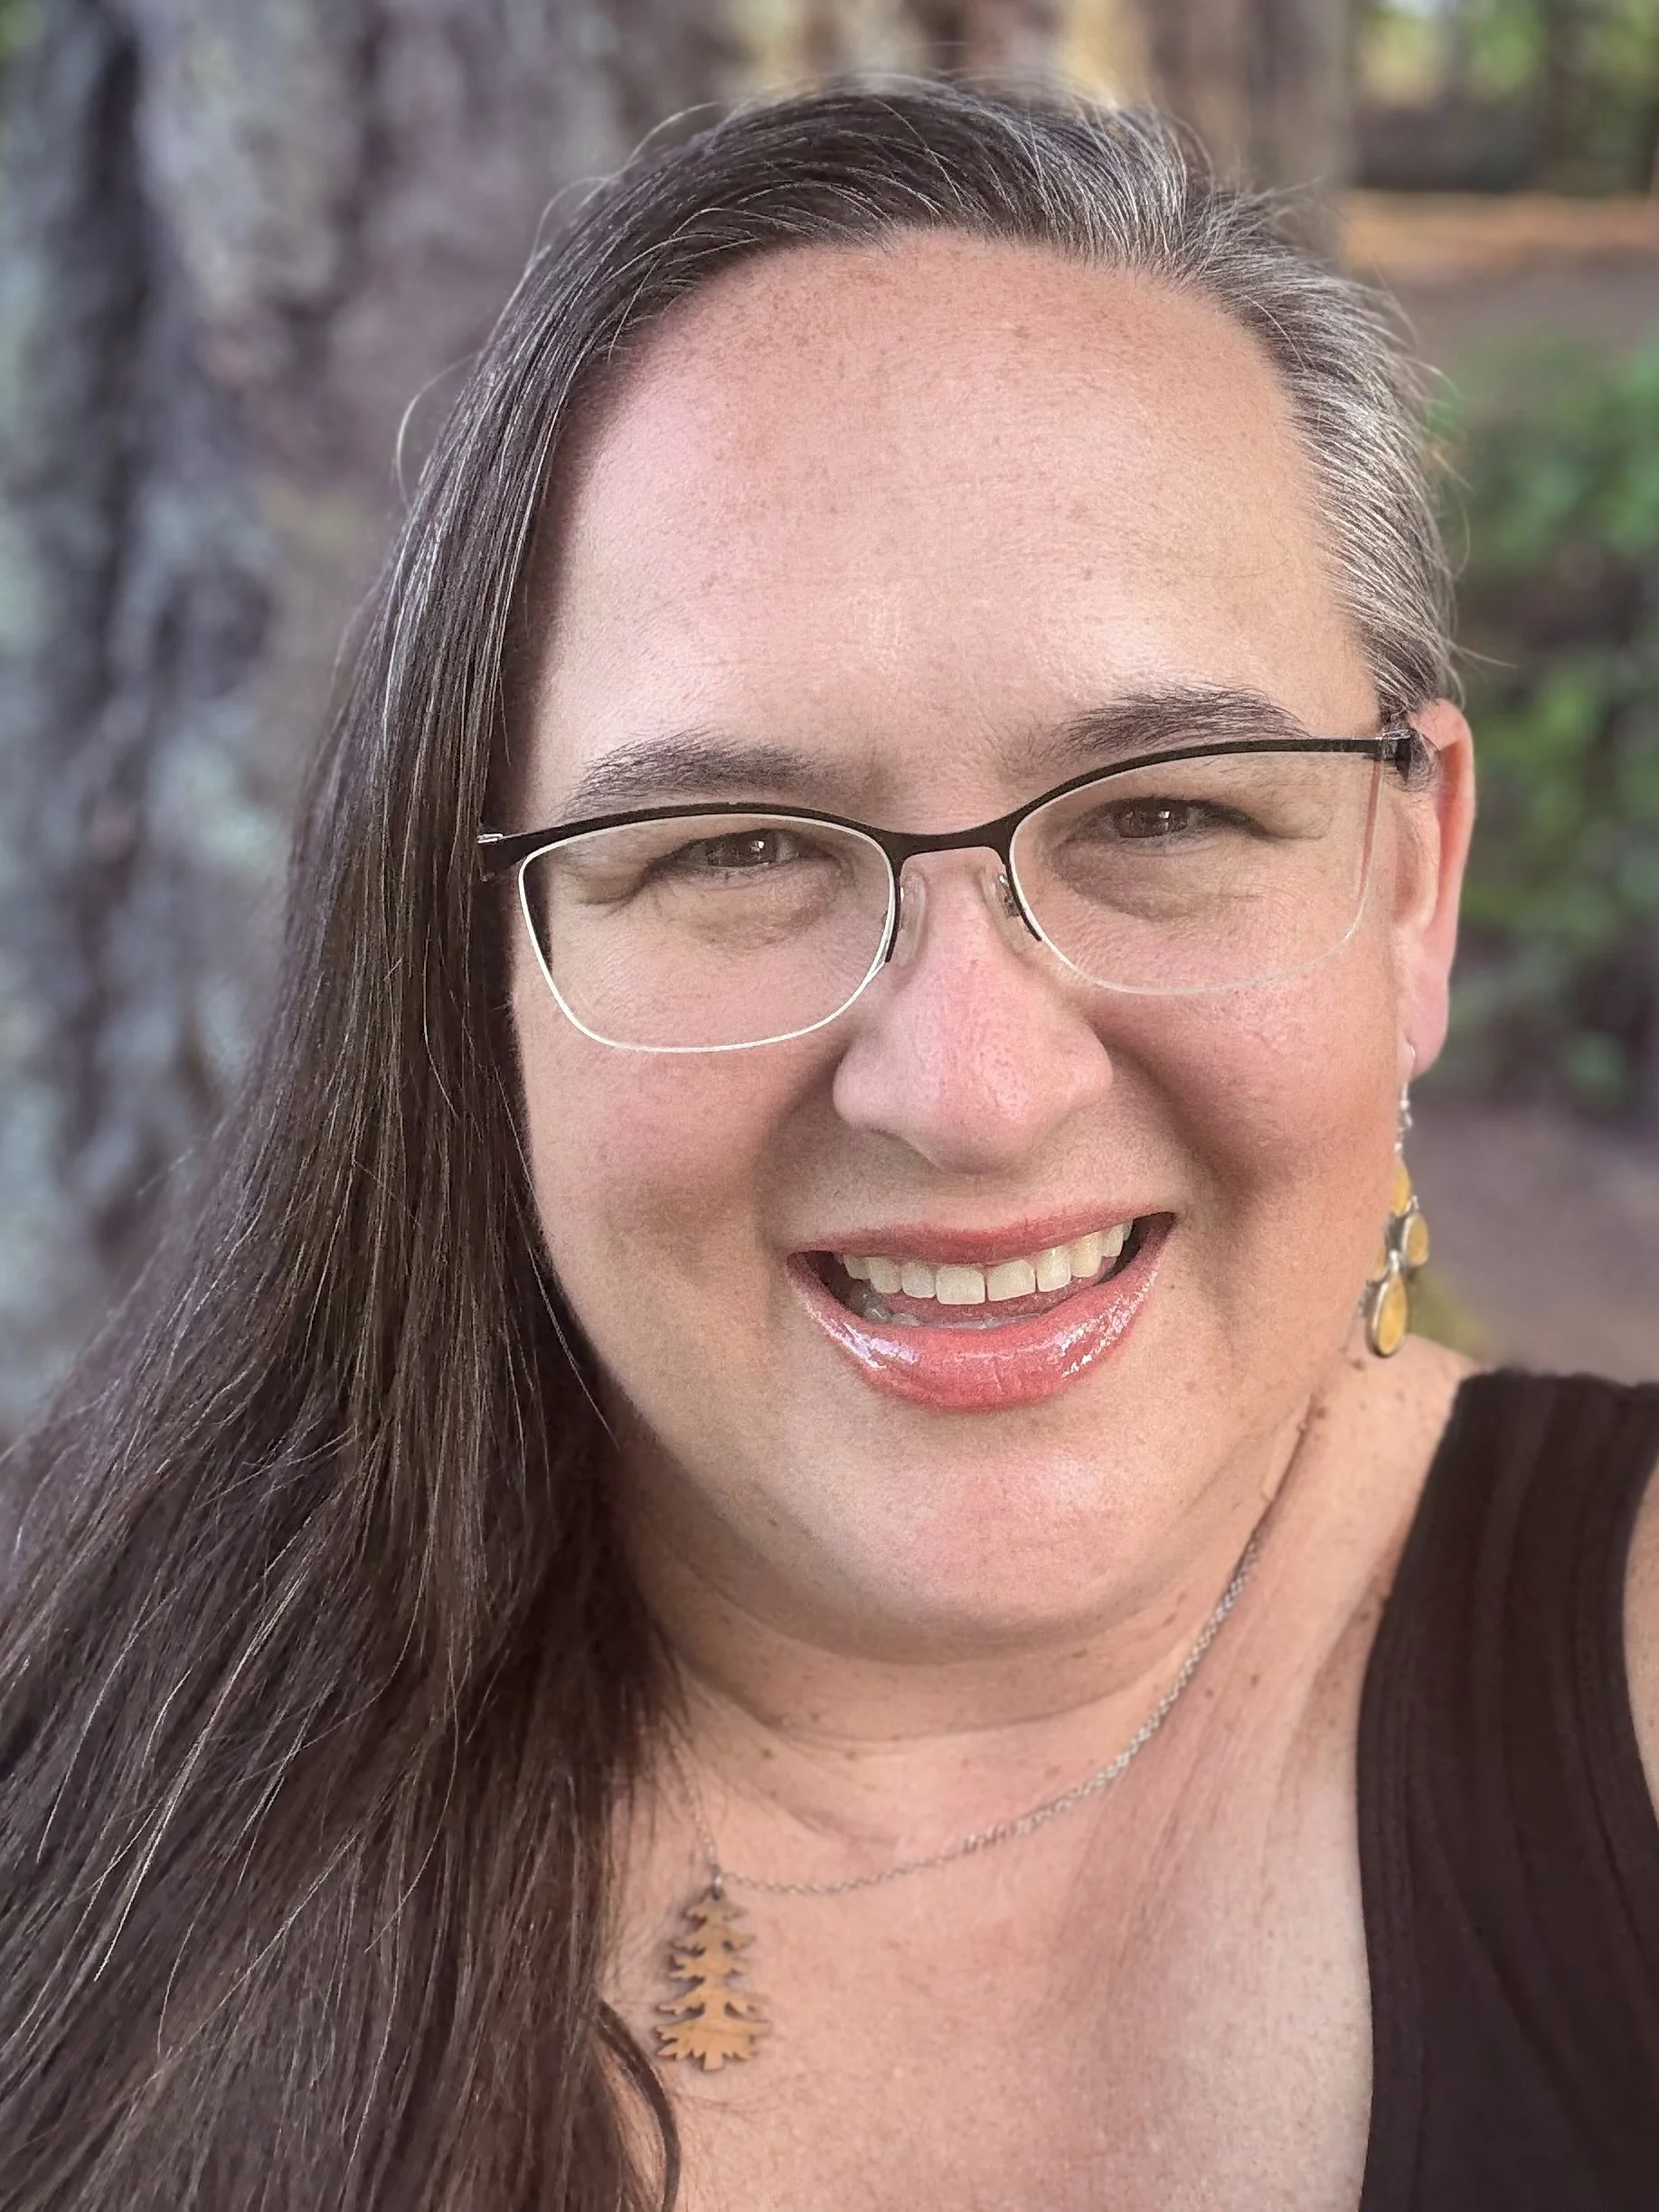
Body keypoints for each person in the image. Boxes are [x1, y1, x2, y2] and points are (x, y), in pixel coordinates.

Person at [1, 79, 1655, 2212]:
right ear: (468, 951)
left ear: (1410, 887)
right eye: (735, 846)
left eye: (1165, 814)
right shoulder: (82, 1750)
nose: (966, 1088)